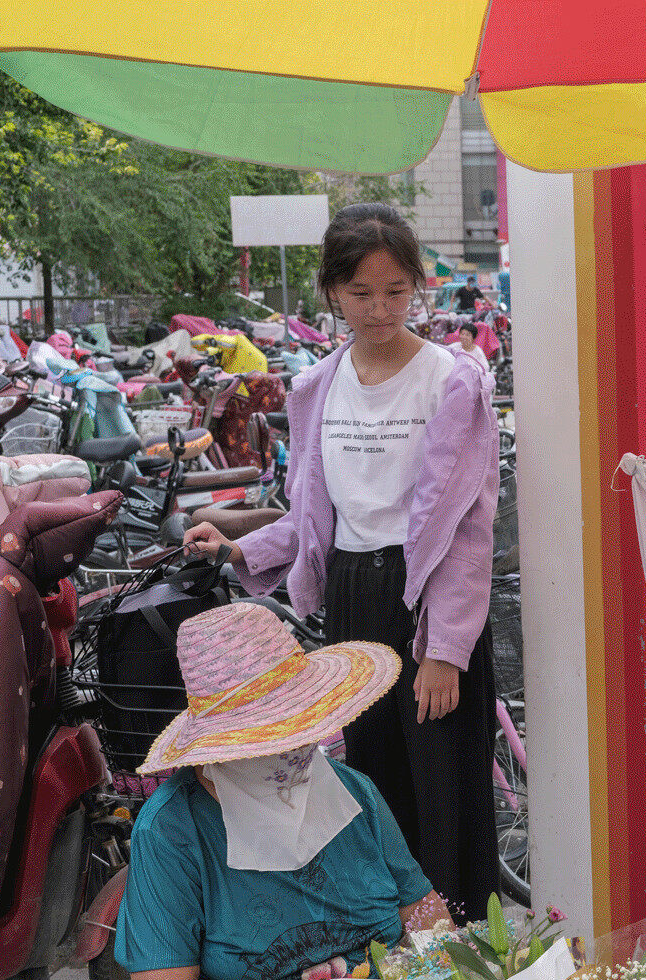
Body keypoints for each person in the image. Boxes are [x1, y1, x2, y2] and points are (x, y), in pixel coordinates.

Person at [186, 202, 502, 920]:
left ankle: (462, 963)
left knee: (443, 796)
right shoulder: (317, 386)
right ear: (331, 292)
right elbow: (315, 519)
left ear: (418, 286)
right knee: (376, 795)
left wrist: (447, 649)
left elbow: (470, 529)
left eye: (396, 291)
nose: (380, 309)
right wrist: (241, 547)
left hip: (428, 607)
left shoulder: (451, 380)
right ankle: (397, 972)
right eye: (361, 293)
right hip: (356, 604)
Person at [117, 602, 453, 980]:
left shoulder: (351, 790)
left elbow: (424, 911)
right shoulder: (172, 828)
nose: (295, 746)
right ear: (218, 748)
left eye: (300, 727)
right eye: (271, 733)